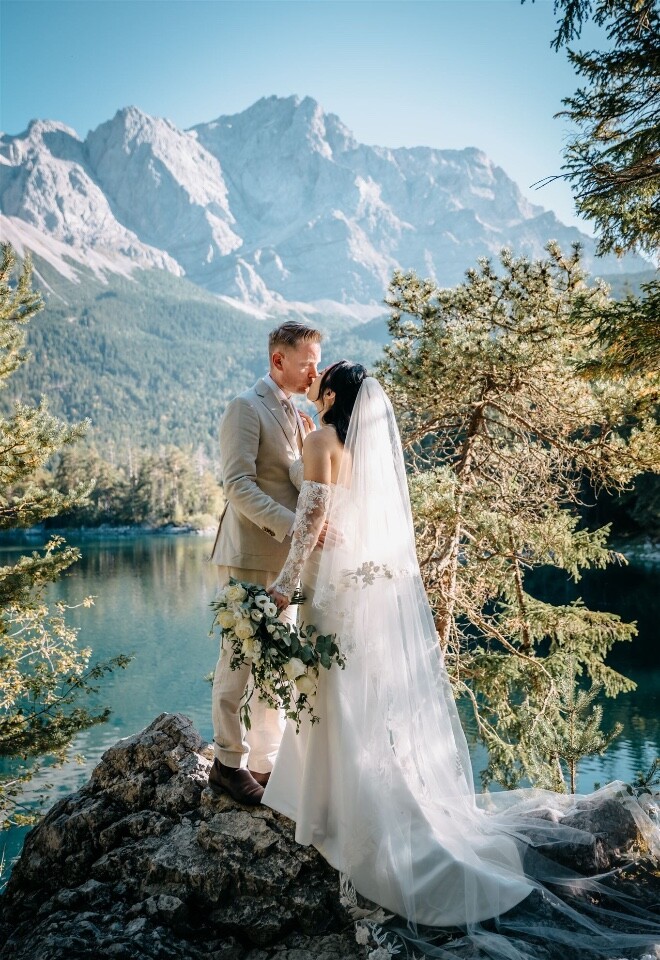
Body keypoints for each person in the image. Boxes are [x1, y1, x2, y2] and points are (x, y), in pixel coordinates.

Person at [264, 363, 660, 959]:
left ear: (332, 396)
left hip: (324, 586)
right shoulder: (355, 452)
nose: (314, 384)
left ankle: (331, 812)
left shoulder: (321, 441)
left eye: (323, 382)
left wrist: (283, 584)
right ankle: (338, 804)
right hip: (356, 588)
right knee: (348, 698)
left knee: (330, 693)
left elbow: (313, 519)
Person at [208, 321, 322, 805]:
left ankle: (264, 763)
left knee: (275, 668)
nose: (314, 372)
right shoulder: (245, 408)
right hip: (251, 556)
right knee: (237, 664)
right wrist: (296, 527)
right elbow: (238, 486)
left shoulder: (298, 417)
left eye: (317, 362)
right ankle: (226, 765)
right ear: (278, 361)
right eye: (306, 363)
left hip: (286, 568)